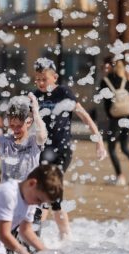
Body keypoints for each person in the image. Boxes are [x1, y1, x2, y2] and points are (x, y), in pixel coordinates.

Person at [32, 57, 107, 239]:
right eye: (37, 79)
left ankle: (63, 238)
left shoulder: (64, 93)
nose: (40, 83)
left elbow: (84, 116)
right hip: (41, 152)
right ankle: (42, 236)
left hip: (61, 151)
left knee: (50, 193)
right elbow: (26, 123)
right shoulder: (35, 96)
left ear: (54, 77)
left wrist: (99, 141)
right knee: (44, 195)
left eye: (44, 78)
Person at [98, 59, 129, 186]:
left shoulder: (105, 81)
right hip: (128, 118)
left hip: (115, 120)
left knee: (112, 148)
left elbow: (103, 100)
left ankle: (120, 177)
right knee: (125, 147)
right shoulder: (127, 82)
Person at [0, 94, 47, 182]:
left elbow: (42, 137)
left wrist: (35, 111)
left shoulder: (33, 140)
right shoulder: (5, 141)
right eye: (12, 125)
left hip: (28, 189)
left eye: (19, 126)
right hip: (8, 190)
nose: (15, 129)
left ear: (28, 122)